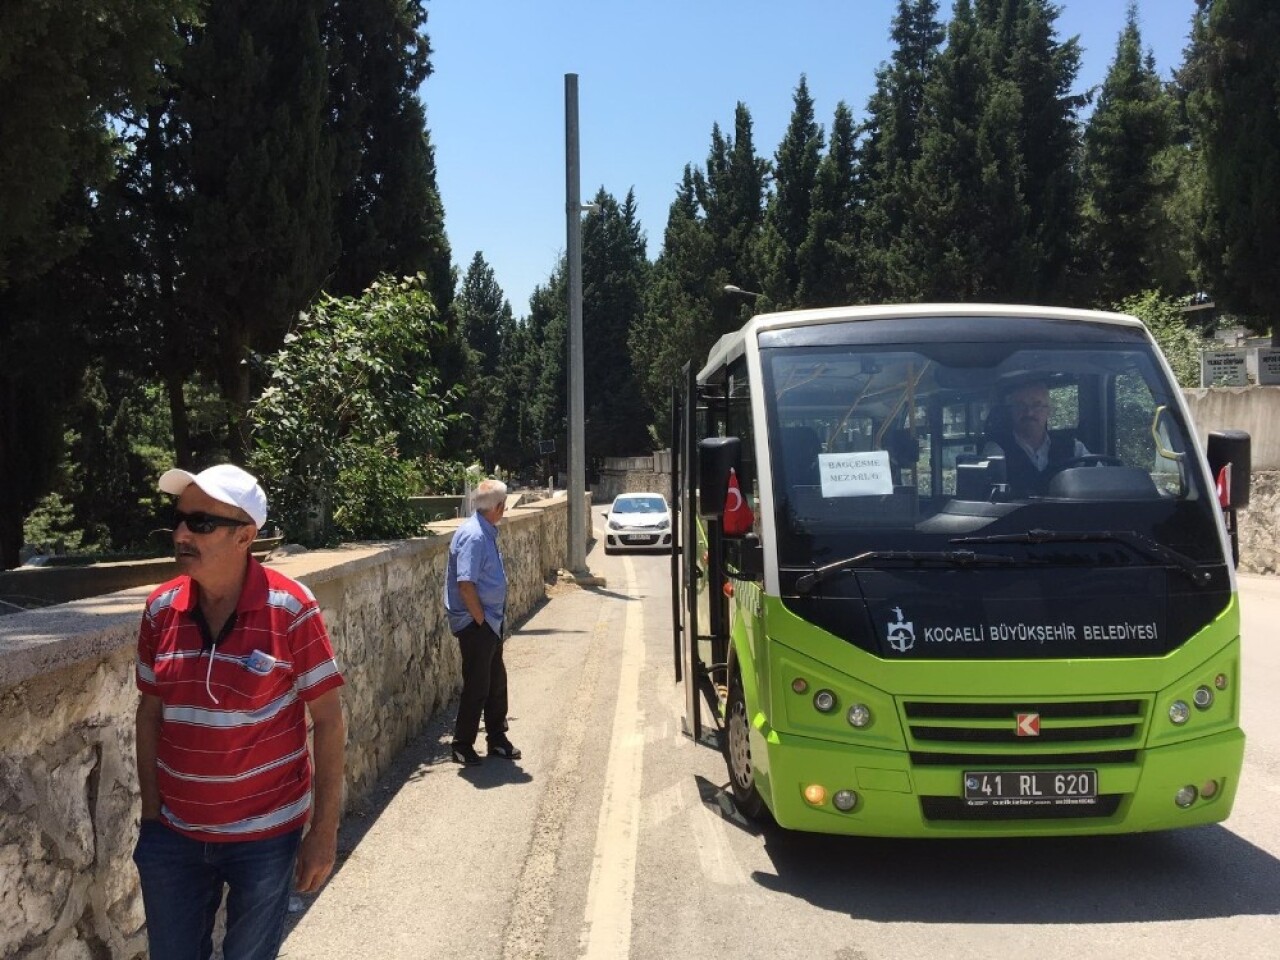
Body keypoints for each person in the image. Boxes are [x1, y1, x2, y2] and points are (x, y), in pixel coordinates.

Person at [133, 464, 346, 960]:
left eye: (202, 523)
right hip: (174, 836)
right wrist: (150, 816)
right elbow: (150, 714)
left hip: (265, 838)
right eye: (180, 518)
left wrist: (323, 832)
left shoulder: (291, 608)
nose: (182, 533)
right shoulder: (160, 610)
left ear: (245, 536)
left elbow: (329, 720)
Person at [444, 477, 521, 765]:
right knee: (477, 685)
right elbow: (466, 584)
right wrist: (481, 621)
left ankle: (497, 739)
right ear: (499, 507)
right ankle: (462, 745)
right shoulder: (475, 536)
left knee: (495, 682)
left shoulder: (484, 531)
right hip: (478, 624)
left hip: (489, 622)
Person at [983, 380, 1089, 495]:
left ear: (1048, 410)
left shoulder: (1074, 447)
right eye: (1020, 405)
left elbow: (1098, 481)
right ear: (1011, 411)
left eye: (1037, 405)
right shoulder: (996, 450)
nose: (1029, 413)